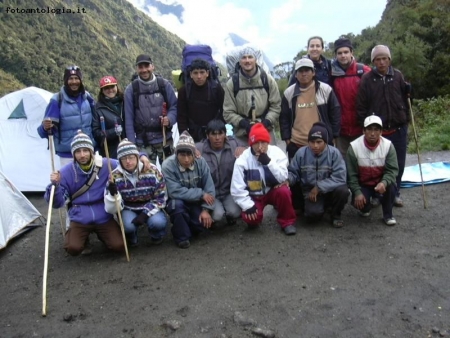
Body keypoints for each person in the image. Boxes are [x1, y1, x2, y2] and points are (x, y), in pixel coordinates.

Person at [45, 131, 124, 256]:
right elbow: (58, 203)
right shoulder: (65, 172)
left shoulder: (106, 164)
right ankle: (80, 237)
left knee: (119, 246)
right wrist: (55, 186)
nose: (82, 155)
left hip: (103, 214)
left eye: (85, 150)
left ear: (91, 151)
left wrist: (141, 156)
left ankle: (104, 236)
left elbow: (127, 162)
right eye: (78, 151)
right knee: (73, 248)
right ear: (73, 154)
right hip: (80, 216)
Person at [356, 45, 410, 207]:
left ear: (389, 59)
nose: (381, 62)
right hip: (378, 131)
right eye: (378, 59)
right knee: (377, 165)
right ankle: (378, 195)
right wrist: (365, 127)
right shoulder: (367, 79)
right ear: (373, 61)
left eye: (384, 58)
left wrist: (408, 95)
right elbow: (361, 105)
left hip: (398, 128)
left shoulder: (398, 76)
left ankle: (395, 193)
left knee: (398, 164)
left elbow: (405, 100)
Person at [231, 123, 297, 235]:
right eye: (256, 143)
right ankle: (255, 218)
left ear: (268, 142)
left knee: (284, 191)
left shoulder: (276, 152)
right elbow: (237, 188)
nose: (260, 146)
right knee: (251, 218)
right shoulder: (243, 159)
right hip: (254, 196)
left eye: (263, 142)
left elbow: (283, 177)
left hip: (272, 191)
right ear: (251, 143)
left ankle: (287, 222)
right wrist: (248, 205)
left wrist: (269, 162)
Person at [104, 139, 168, 246]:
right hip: (128, 207)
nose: (128, 161)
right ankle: (131, 236)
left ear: (137, 157)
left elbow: (161, 198)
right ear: (119, 160)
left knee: (158, 222)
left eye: (131, 157)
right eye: (124, 158)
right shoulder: (113, 176)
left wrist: (145, 214)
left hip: (150, 204)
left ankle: (157, 235)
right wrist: (112, 195)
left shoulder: (153, 171)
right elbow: (112, 209)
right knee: (128, 226)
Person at [287, 122, 349, 227]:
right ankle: (317, 207)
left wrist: (319, 187)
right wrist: (287, 180)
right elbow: (293, 172)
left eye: (319, 142)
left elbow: (340, 178)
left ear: (325, 141)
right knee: (312, 216)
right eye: (312, 142)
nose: (315, 145)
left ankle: (335, 215)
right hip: (309, 192)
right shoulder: (301, 153)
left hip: (330, 190)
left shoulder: (334, 153)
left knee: (343, 190)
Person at [162, 131, 216, 249]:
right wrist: (201, 193)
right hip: (177, 201)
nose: (186, 159)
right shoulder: (167, 165)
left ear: (194, 154)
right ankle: (181, 238)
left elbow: (209, 187)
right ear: (176, 154)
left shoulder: (201, 162)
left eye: (189, 155)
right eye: (182, 155)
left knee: (200, 225)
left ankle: (187, 227)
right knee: (177, 207)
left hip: (195, 202)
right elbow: (174, 191)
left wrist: (206, 210)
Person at [280, 58, 341, 160]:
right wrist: (287, 140)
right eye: (300, 71)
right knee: (297, 175)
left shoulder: (325, 90)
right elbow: (284, 119)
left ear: (313, 72)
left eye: (307, 70)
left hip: (321, 143)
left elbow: (335, 114)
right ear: (295, 74)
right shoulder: (288, 93)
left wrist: (333, 137)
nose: (304, 74)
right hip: (296, 144)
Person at [124, 54, 178, 164]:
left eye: (146, 66)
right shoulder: (131, 89)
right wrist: (132, 145)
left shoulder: (164, 85)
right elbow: (128, 118)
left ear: (153, 66)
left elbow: (174, 106)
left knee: (170, 174)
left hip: (164, 139)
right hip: (143, 143)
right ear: (137, 69)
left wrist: (170, 119)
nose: (144, 70)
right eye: (140, 67)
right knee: (146, 177)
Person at [37, 65, 95, 165]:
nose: (74, 82)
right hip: (68, 154)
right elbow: (43, 131)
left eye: (76, 78)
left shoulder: (87, 97)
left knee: (91, 180)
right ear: (65, 81)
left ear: (81, 80)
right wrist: (45, 127)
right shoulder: (57, 100)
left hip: (88, 151)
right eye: (70, 79)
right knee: (71, 180)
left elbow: (95, 121)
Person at [346, 115, 399, 226]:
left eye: (376, 129)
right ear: (363, 131)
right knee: (359, 203)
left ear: (381, 132)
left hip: (381, 182)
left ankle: (388, 215)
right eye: (369, 129)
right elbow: (351, 175)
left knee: (391, 186)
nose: (372, 133)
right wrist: (357, 192)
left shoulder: (388, 146)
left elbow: (392, 170)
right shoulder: (354, 147)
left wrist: (383, 183)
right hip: (363, 183)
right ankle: (366, 208)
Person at [223, 46, 281, 145]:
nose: (247, 61)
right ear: (239, 62)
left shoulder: (267, 80)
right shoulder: (232, 83)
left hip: (266, 130)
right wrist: (244, 124)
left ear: (256, 60)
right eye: (244, 58)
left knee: (270, 159)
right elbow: (228, 112)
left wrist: (266, 122)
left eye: (250, 57)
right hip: (242, 135)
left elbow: (276, 106)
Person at [196, 119, 244, 225]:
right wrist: (191, 151)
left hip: (228, 192)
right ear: (207, 135)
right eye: (213, 134)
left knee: (235, 212)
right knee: (218, 215)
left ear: (225, 134)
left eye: (220, 133)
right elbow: (180, 150)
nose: (217, 138)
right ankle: (212, 217)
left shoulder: (234, 144)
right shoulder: (200, 148)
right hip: (211, 194)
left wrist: (243, 149)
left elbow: (251, 149)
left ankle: (229, 215)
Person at [330, 38, 371, 159]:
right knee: (342, 163)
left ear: (352, 52)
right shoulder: (331, 74)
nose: (343, 56)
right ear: (336, 55)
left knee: (362, 162)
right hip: (341, 130)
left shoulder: (363, 71)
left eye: (346, 52)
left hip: (361, 128)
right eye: (339, 53)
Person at [177, 58, 225, 142]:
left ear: (207, 73)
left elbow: (224, 111)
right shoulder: (184, 91)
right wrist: (184, 136)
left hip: (214, 134)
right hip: (193, 134)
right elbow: (181, 117)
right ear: (191, 74)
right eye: (195, 73)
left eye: (202, 72)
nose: (199, 76)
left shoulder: (216, 89)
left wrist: (222, 132)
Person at [92, 76, 125, 158]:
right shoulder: (98, 108)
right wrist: (114, 131)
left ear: (116, 87)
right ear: (102, 90)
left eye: (112, 86)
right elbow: (96, 133)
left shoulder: (125, 102)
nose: (110, 90)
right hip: (110, 151)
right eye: (106, 88)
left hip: (127, 146)